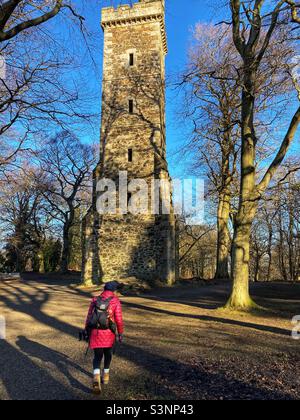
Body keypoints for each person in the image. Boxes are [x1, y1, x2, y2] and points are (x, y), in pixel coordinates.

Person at [85, 281, 124, 394]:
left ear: (104, 289)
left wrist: (86, 330)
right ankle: (105, 375)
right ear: (113, 290)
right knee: (108, 355)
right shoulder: (115, 301)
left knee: (97, 357)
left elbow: (89, 316)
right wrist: (120, 333)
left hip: (95, 332)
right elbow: (119, 319)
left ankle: (96, 377)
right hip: (109, 333)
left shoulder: (95, 299)